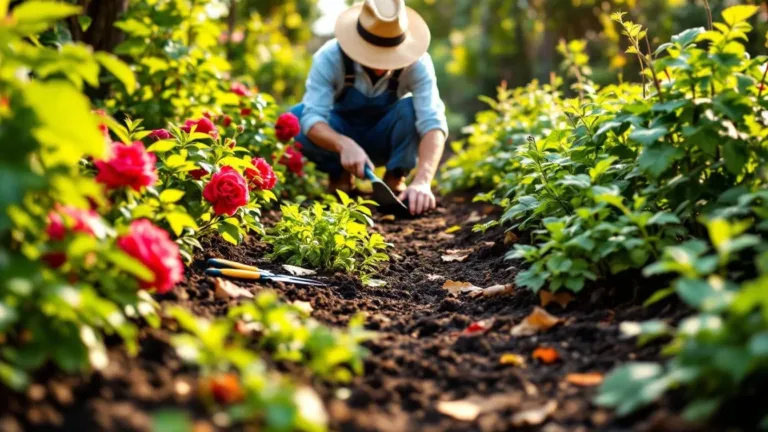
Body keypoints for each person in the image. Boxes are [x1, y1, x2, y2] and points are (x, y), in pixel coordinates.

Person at [290, 0, 447, 216]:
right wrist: (343, 144)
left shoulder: (417, 64)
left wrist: (423, 180)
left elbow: (433, 123)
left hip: (383, 136)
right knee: (296, 118)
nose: (381, 63)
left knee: (411, 108)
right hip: (340, 133)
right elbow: (312, 118)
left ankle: (395, 178)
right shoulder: (330, 58)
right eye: (375, 52)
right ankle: (339, 176)